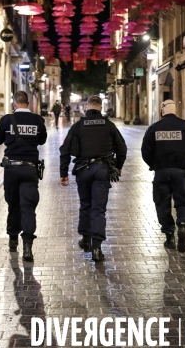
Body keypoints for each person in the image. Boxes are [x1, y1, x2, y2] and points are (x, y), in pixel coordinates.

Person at [59, 95, 127, 261]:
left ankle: (86, 239)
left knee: (85, 205)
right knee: (99, 208)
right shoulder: (109, 126)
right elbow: (122, 148)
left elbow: (65, 150)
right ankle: (97, 248)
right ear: (101, 108)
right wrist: (118, 166)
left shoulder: (78, 126)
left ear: (86, 108)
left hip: (83, 169)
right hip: (102, 169)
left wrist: (63, 173)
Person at [0, 91, 47, 261]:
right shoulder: (38, 120)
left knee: (13, 205)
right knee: (28, 207)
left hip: (12, 169)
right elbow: (42, 140)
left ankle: (13, 240)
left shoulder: (7, 120)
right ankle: (28, 248)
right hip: (30, 169)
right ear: (28, 103)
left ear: (14, 103)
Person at [141, 99, 185, 253]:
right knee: (183, 202)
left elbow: (145, 151)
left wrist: (154, 165)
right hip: (181, 172)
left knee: (162, 203)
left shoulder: (154, 128)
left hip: (161, 171)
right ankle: (182, 224)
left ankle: (169, 236)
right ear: (175, 110)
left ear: (162, 110)